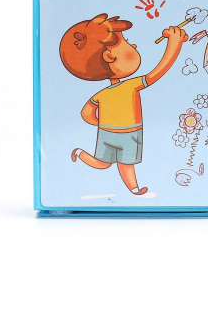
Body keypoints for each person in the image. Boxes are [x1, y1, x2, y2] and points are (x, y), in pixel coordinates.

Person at [59, 13, 186, 195]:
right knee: (123, 163)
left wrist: (102, 122)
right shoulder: (129, 86)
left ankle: (133, 187)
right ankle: (81, 154)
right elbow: (157, 72)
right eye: (125, 43)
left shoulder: (102, 94)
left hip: (110, 132)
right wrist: (174, 44)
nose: (133, 45)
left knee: (109, 163)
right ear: (110, 56)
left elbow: (86, 113)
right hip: (128, 133)